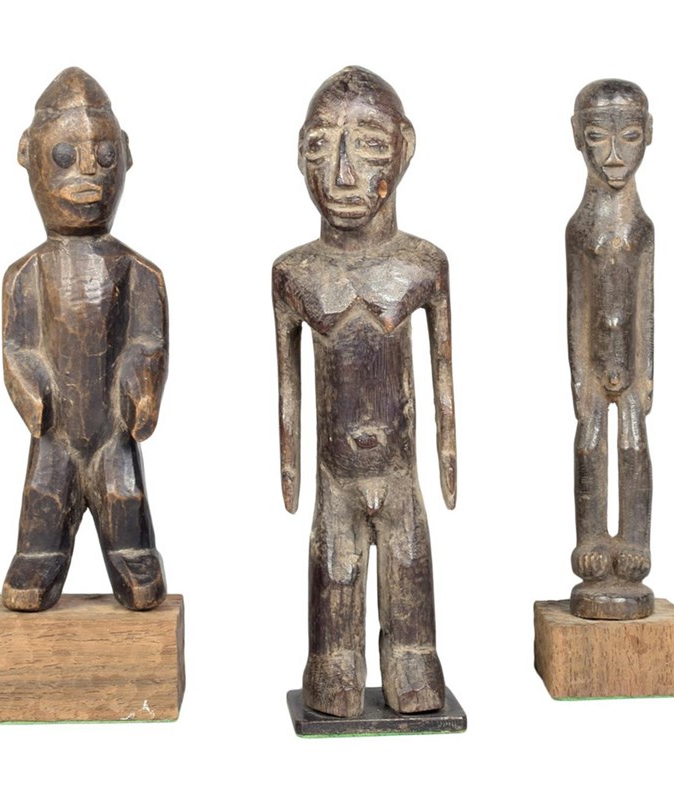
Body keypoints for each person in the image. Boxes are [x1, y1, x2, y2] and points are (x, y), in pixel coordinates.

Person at [273, 66, 456, 716]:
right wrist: (291, 468)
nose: (343, 175)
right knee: (337, 575)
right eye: (321, 146)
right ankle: (334, 667)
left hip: (401, 477)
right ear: (300, 154)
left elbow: (443, 378)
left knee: (410, 584)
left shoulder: (421, 266)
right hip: (336, 481)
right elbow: (287, 387)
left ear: (405, 147)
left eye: (370, 145)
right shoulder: (297, 274)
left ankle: (413, 664)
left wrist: (448, 457)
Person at [2, 67, 168, 612]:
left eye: (103, 156)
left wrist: (142, 382)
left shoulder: (139, 272)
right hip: (55, 434)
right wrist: (30, 386)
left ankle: (132, 554)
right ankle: (39, 557)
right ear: (28, 154)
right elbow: (17, 347)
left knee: (124, 495)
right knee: (44, 495)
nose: (87, 174)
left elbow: (148, 341)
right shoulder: (27, 274)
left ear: (126, 156)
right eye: (64, 157)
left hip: (112, 432)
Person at [567, 79, 654, 619]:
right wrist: (579, 376)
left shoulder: (641, 228)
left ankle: (636, 542)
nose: (615, 155)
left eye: (630, 136)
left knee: (634, 445)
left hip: (631, 366)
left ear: (650, 135)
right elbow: (577, 309)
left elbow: (646, 306)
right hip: (594, 370)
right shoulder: (580, 229)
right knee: (590, 444)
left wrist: (646, 373)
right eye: (599, 137)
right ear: (577, 136)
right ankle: (592, 539)